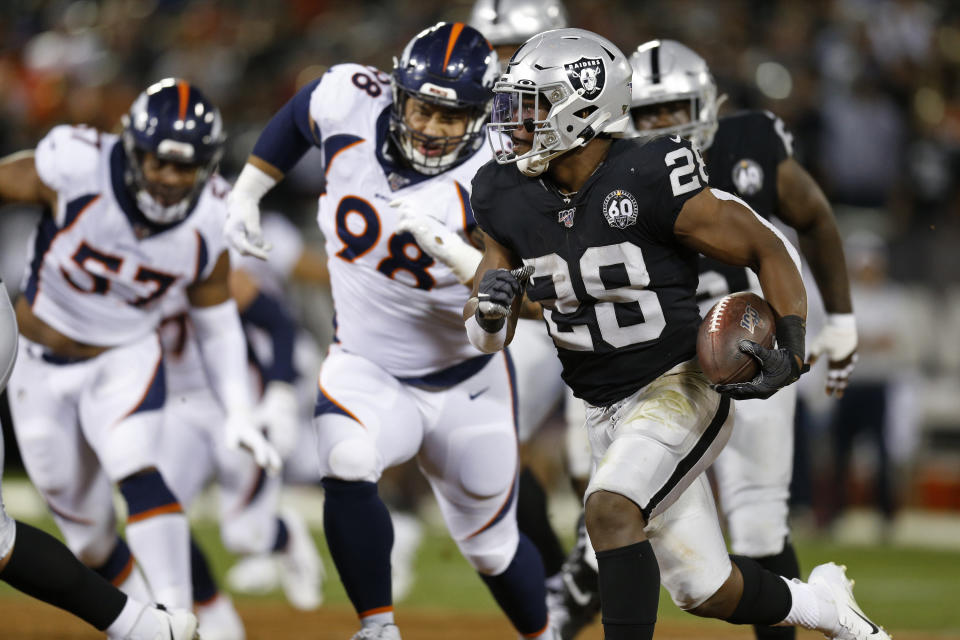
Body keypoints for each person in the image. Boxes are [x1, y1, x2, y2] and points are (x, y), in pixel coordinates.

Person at [465, 28, 887, 640]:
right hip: (601, 406)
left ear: (582, 106)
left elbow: (766, 244)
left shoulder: (649, 171)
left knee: (609, 510)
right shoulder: (503, 192)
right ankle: (828, 608)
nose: (517, 124)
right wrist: (488, 311)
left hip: (679, 384)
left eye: (533, 107)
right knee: (704, 589)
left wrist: (792, 341)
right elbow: (486, 334)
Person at [224, 22, 554, 640]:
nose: (431, 126)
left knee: (492, 550)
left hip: (469, 380)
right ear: (397, 92)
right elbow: (300, 114)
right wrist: (248, 190)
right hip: (365, 364)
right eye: (423, 107)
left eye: (452, 116)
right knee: (346, 460)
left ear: (482, 117)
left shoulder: (506, 178)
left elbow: (504, 326)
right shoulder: (349, 94)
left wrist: (461, 259)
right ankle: (377, 628)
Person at [0, 78, 279, 613]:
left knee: (134, 462)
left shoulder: (212, 217)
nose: (172, 179)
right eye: (159, 163)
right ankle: (148, 619)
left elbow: (217, 320)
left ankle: (177, 615)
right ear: (131, 150)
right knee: (89, 542)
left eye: (186, 166)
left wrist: (238, 409)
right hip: (36, 363)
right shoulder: (76, 165)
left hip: (124, 358)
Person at [0, 281, 198, 639]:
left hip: (114, 348)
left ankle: (155, 620)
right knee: (83, 540)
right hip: (34, 355)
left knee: (131, 461)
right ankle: (147, 627)